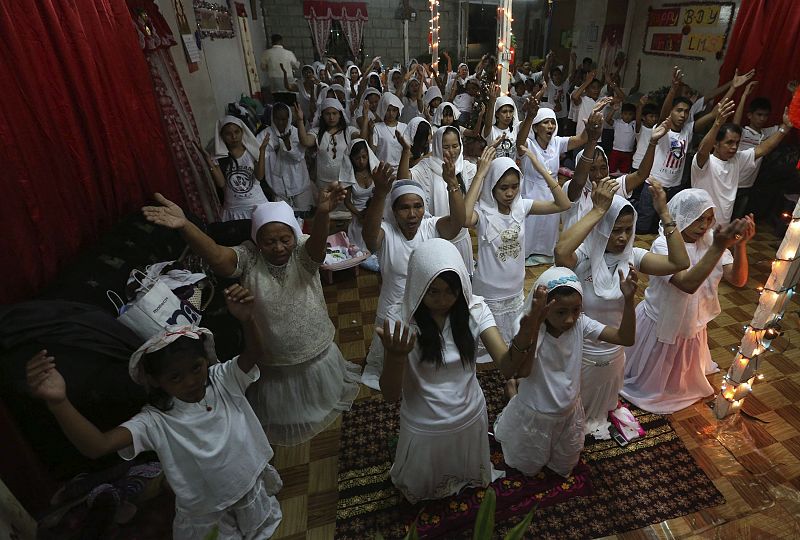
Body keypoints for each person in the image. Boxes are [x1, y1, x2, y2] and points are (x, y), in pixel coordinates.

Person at [25, 291, 283, 539]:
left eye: (196, 367)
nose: (192, 381)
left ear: (206, 359)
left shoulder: (222, 379)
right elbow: (97, 446)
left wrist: (248, 319)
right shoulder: (155, 420)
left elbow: (254, 355)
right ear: (156, 381)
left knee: (261, 528)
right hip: (208, 510)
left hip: (248, 486)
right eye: (175, 377)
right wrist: (59, 402)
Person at [142, 193, 361, 445]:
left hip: (314, 338)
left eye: (284, 239)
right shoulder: (248, 256)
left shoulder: (303, 249)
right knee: (286, 404)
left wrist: (322, 213)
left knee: (323, 391)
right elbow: (217, 257)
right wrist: (185, 226)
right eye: (269, 242)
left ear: (294, 235)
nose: (278, 247)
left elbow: (318, 249)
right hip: (273, 350)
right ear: (257, 240)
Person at [377, 239, 539, 502]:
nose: (443, 300)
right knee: (422, 490)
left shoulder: (475, 309)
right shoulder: (400, 319)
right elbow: (390, 395)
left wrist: (525, 335)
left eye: (451, 291)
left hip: (469, 412)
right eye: (434, 292)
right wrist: (395, 357)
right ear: (418, 286)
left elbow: (507, 366)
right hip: (424, 421)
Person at [554, 180, 689, 439]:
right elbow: (560, 251)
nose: (622, 237)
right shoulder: (582, 257)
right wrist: (597, 210)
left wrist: (664, 213)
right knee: (569, 411)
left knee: (600, 407)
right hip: (579, 351)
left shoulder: (633, 257)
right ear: (601, 227)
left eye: (628, 230)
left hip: (616, 349)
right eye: (615, 229)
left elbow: (680, 262)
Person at [494, 265, 637, 477]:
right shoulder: (528, 326)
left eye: (576, 310)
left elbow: (625, 338)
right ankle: (513, 393)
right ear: (544, 307)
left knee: (563, 464)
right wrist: (534, 323)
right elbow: (522, 370)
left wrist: (628, 300)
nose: (569, 319)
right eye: (561, 312)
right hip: (537, 411)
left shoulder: (580, 323)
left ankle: (513, 392)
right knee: (526, 466)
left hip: (569, 410)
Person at [622, 190, 754, 414]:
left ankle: (675, 384)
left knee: (680, 374)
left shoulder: (711, 240)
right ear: (681, 215)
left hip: (692, 321)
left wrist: (740, 245)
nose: (704, 225)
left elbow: (738, 280)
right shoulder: (663, 245)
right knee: (651, 378)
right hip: (662, 318)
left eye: (709, 219)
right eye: (698, 218)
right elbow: (686, 284)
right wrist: (720, 246)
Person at [360, 160, 467, 390]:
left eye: (417, 206)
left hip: (427, 310)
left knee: (427, 366)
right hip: (394, 310)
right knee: (394, 373)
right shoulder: (387, 233)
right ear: (393, 210)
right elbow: (369, 238)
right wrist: (379, 194)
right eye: (404, 208)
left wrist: (452, 184)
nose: (411, 214)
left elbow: (457, 224)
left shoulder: (430, 227)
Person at [465, 154, 570, 358]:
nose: (510, 193)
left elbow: (563, 204)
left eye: (514, 186)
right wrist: (480, 175)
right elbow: (464, 218)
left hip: (514, 290)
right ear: (492, 186)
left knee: (511, 344)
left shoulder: (521, 207)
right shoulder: (483, 212)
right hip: (489, 292)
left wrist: (541, 169)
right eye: (503, 187)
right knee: (484, 349)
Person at [515, 100, 606, 265]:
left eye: (553, 122)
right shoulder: (529, 144)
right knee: (530, 226)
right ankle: (526, 254)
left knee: (548, 226)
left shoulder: (557, 143)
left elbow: (583, 138)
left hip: (552, 191)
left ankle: (544, 254)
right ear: (535, 127)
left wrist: (592, 115)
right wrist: (529, 117)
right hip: (531, 191)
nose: (550, 126)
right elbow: (520, 143)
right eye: (545, 122)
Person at [692, 97, 794, 225]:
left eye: (737, 143)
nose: (734, 147)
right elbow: (702, 150)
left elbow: (763, 148)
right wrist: (717, 124)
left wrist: (784, 128)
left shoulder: (737, 159)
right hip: (699, 223)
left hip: (722, 225)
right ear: (716, 144)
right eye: (729, 143)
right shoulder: (705, 161)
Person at [561, 117, 671, 232]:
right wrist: (592, 140)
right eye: (592, 169)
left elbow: (641, 175)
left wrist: (652, 142)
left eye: (603, 168)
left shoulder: (612, 186)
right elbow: (579, 181)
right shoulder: (572, 188)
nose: (599, 175)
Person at [404, 126, 476, 271]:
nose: (451, 151)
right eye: (446, 147)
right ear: (436, 146)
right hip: (437, 236)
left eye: (455, 146)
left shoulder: (467, 168)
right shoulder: (426, 167)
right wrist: (405, 153)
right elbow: (405, 180)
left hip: (461, 238)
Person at [201, 116, 270, 222]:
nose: (233, 136)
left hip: (257, 205)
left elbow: (259, 176)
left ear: (242, 132)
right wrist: (208, 160)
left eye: (237, 132)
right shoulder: (219, 156)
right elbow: (221, 183)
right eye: (228, 134)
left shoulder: (252, 152)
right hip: (233, 210)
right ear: (222, 136)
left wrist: (262, 151)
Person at [731, 90, 781, 219]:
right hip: (732, 181)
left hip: (748, 185)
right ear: (749, 115)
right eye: (759, 114)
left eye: (765, 115)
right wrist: (744, 96)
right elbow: (735, 123)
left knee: (738, 219)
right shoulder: (742, 132)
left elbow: (786, 126)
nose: (762, 118)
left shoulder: (767, 133)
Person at [258, 103, 314, 216]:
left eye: (284, 119)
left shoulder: (295, 132)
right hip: (278, 188)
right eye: (277, 119)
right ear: (272, 118)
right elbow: (258, 156)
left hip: (300, 186)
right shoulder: (264, 135)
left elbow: (298, 156)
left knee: (304, 218)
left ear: (289, 118)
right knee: (283, 219)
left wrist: (287, 144)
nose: (280, 122)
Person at [298, 99, 359, 188]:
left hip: (344, 181)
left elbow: (361, 139)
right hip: (323, 182)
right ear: (322, 115)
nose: (331, 117)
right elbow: (305, 141)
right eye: (327, 114)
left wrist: (365, 119)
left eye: (334, 113)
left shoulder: (349, 131)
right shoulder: (317, 132)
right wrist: (300, 120)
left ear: (340, 115)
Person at [339, 138, 380, 253]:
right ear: (351, 159)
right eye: (357, 158)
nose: (361, 161)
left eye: (364, 157)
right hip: (359, 217)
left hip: (376, 214)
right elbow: (347, 202)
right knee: (360, 251)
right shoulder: (350, 175)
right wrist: (360, 214)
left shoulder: (374, 172)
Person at [362, 92, 407, 167]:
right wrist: (370, 134)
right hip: (383, 170)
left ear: (398, 111)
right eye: (388, 110)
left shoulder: (404, 127)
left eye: (394, 110)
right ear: (383, 110)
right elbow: (372, 152)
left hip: (401, 169)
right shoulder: (376, 128)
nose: (391, 113)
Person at [483, 84, 522, 160]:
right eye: (504, 112)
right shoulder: (491, 131)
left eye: (511, 112)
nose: (508, 115)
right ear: (497, 114)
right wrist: (491, 103)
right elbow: (488, 124)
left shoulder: (515, 129)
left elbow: (528, 120)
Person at [606, 102, 637, 173]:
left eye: (630, 114)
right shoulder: (617, 122)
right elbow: (607, 120)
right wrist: (613, 110)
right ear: (621, 114)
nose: (627, 116)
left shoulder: (634, 124)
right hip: (616, 151)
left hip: (628, 152)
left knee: (625, 172)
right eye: (625, 114)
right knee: (611, 170)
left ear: (634, 115)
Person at [631, 97, 659, 172]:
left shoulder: (657, 130)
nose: (654, 119)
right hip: (638, 163)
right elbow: (638, 121)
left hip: (652, 164)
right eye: (651, 116)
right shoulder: (640, 129)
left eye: (656, 116)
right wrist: (640, 105)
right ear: (643, 117)